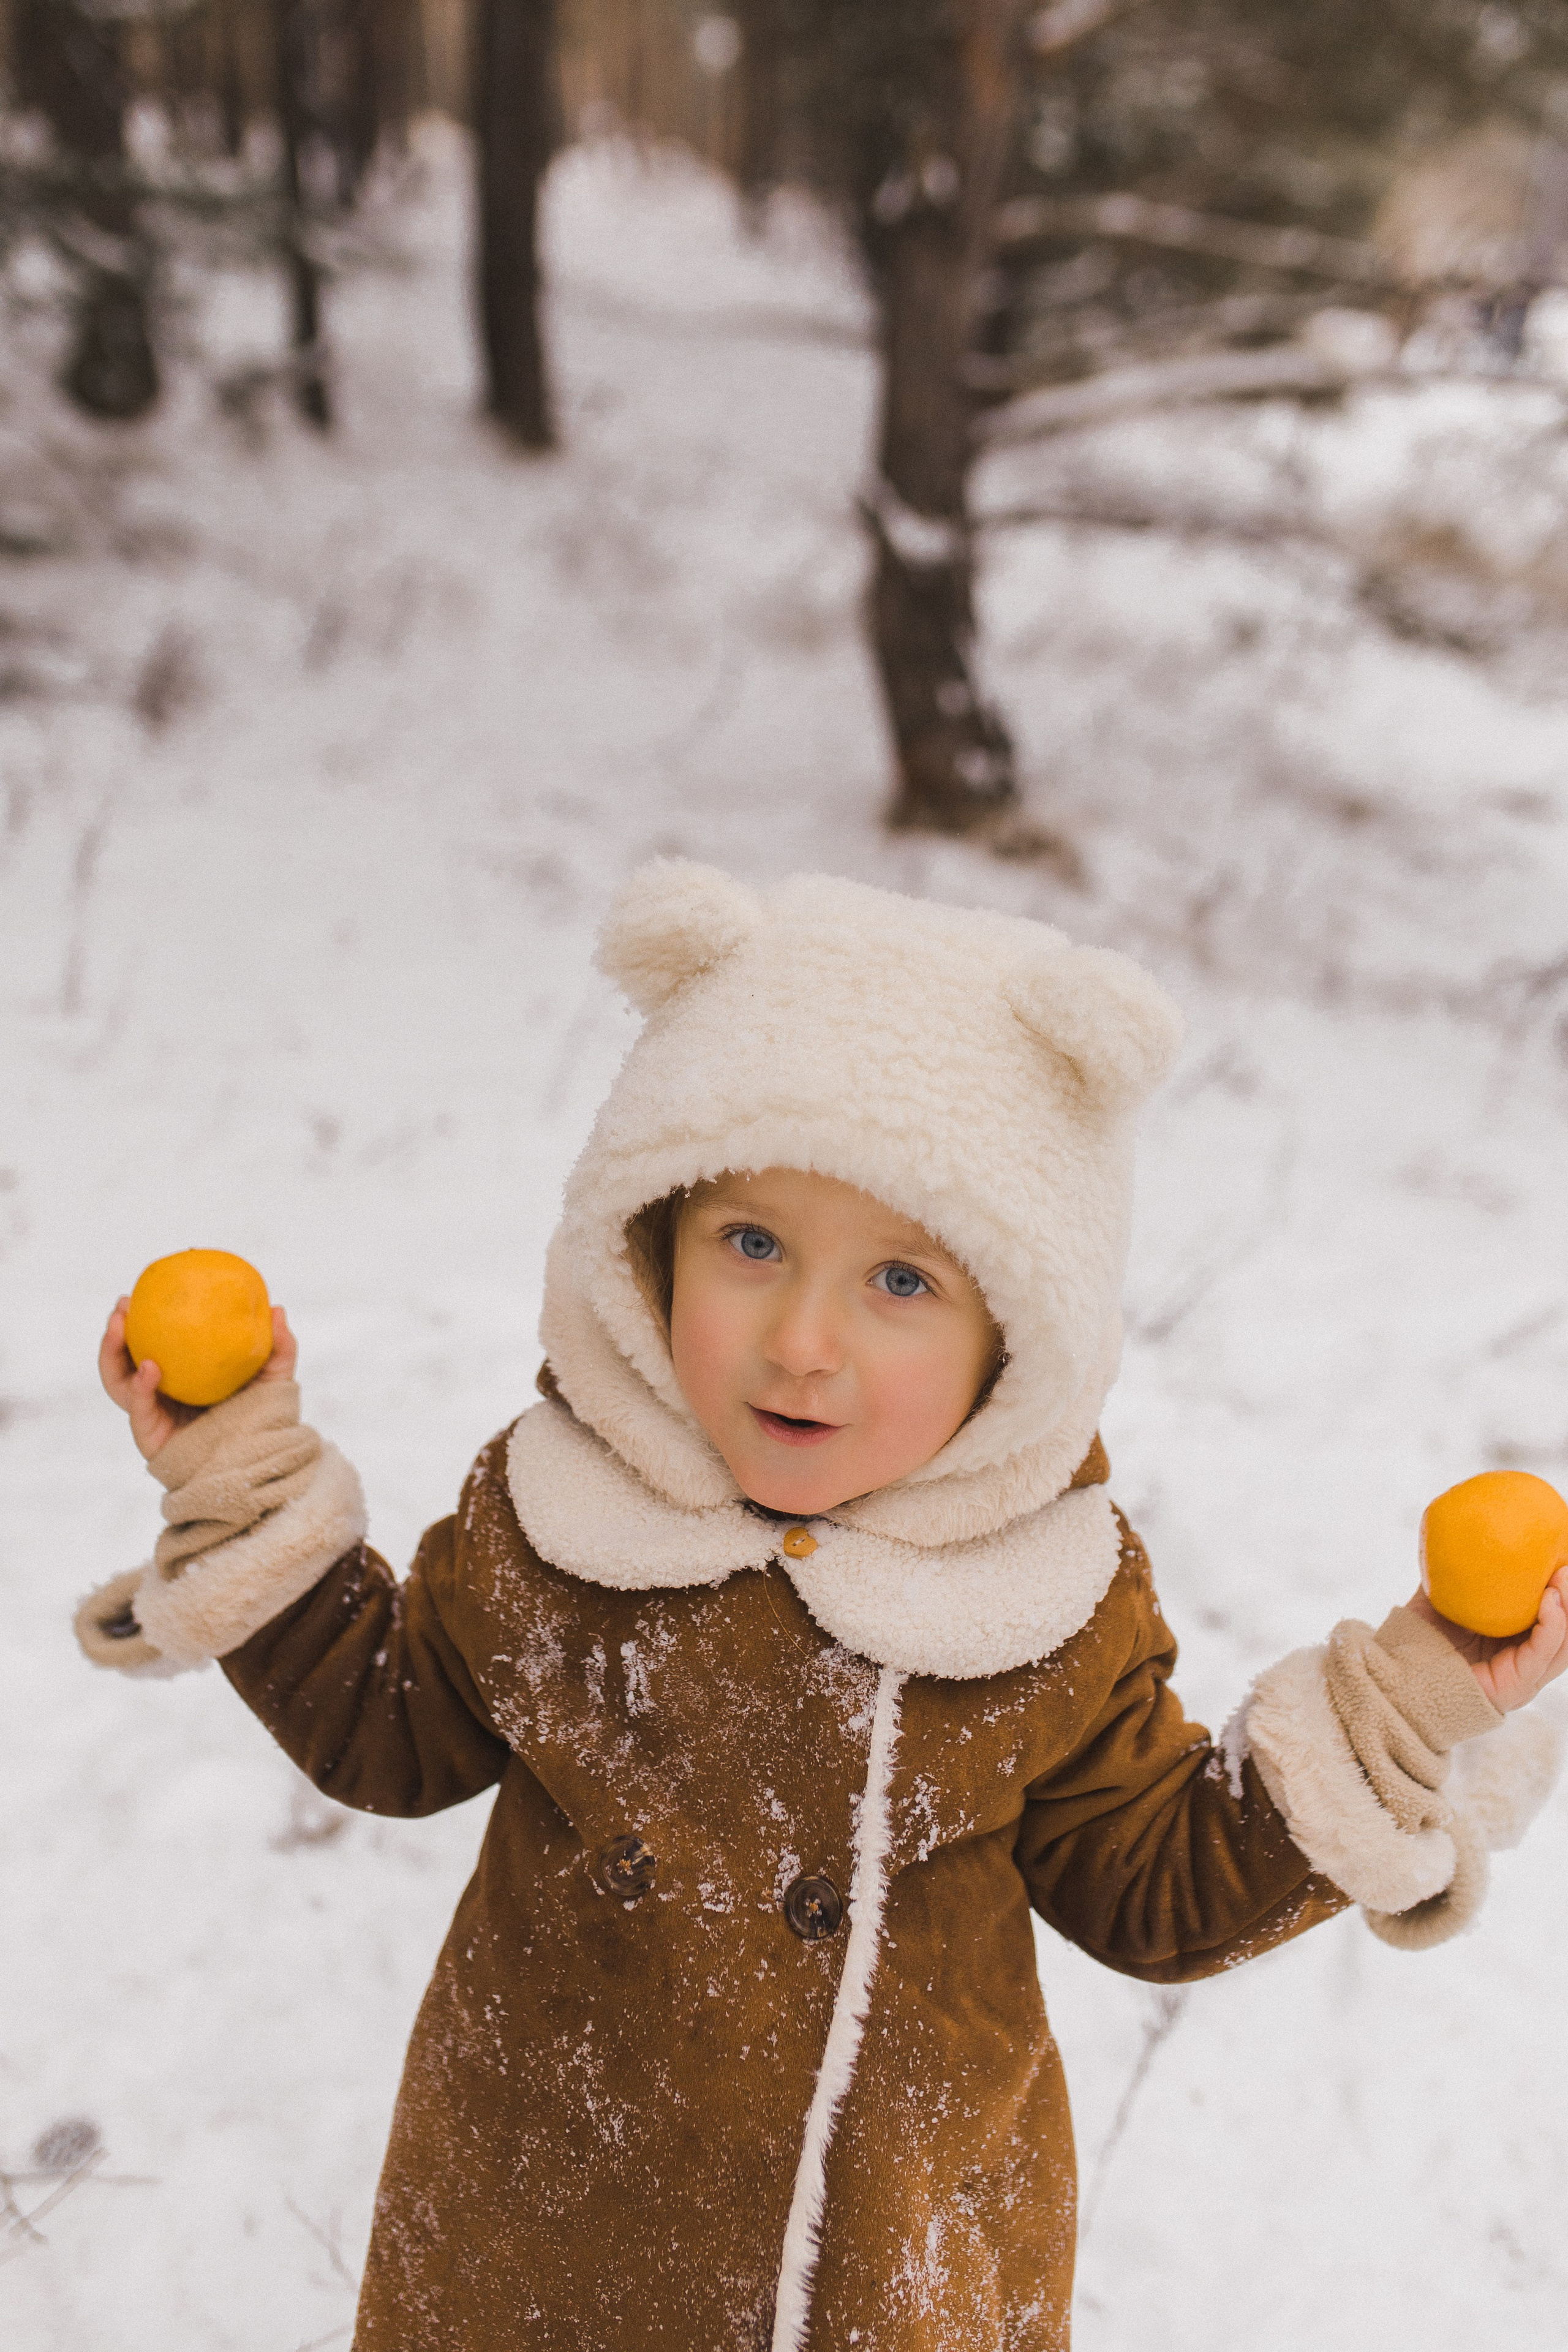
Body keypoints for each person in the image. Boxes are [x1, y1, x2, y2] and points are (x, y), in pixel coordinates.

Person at [78, 861, 1567, 2352]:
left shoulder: (1037, 1604)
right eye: (750, 1244)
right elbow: (389, 1729)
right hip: (533, 2250)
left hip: (887, 2276)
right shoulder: (563, 1523)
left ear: (1017, 1339)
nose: (800, 1342)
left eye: (900, 1281)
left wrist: (1403, 1704)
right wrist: (240, 1478)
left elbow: (1150, 1886)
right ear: (646, 1245)